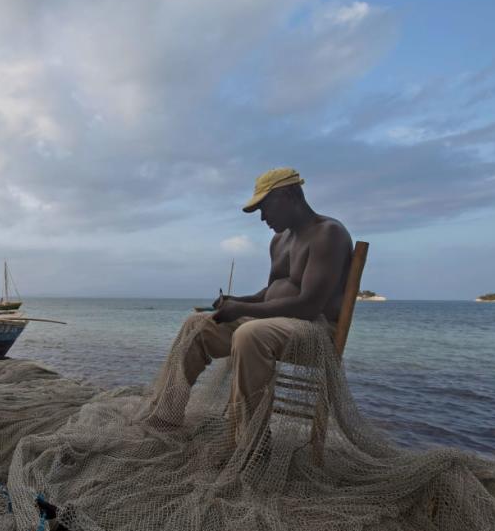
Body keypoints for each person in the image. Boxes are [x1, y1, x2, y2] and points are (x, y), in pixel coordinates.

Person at [148, 167, 353, 446]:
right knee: (195, 325)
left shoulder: (328, 234)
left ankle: (249, 445)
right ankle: (165, 417)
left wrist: (242, 313)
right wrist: (237, 302)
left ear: (290, 194)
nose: (263, 217)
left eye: (265, 206)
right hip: (274, 324)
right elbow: (271, 293)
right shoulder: (279, 240)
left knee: (249, 333)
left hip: (315, 331)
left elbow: (308, 305)